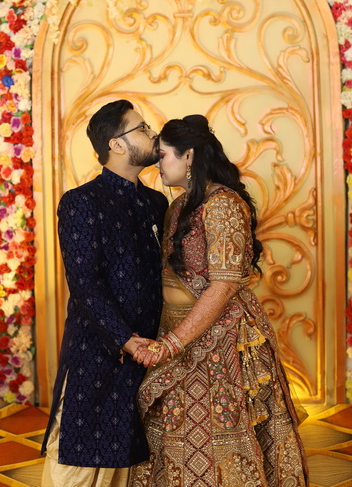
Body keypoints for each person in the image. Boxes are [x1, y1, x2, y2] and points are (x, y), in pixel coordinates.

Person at [130, 115, 309, 487]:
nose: (157, 164)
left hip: (220, 339)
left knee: (220, 438)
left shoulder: (222, 204)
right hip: (176, 330)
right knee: (174, 437)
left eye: (163, 156)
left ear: (189, 155)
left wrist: (172, 344)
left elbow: (224, 286)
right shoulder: (179, 205)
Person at [41, 100, 168, 487]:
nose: (153, 134)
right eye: (142, 128)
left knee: (126, 460)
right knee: (77, 458)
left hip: (147, 352)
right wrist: (124, 338)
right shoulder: (82, 201)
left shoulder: (156, 203)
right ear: (116, 144)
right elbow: (84, 283)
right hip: (96, 350)